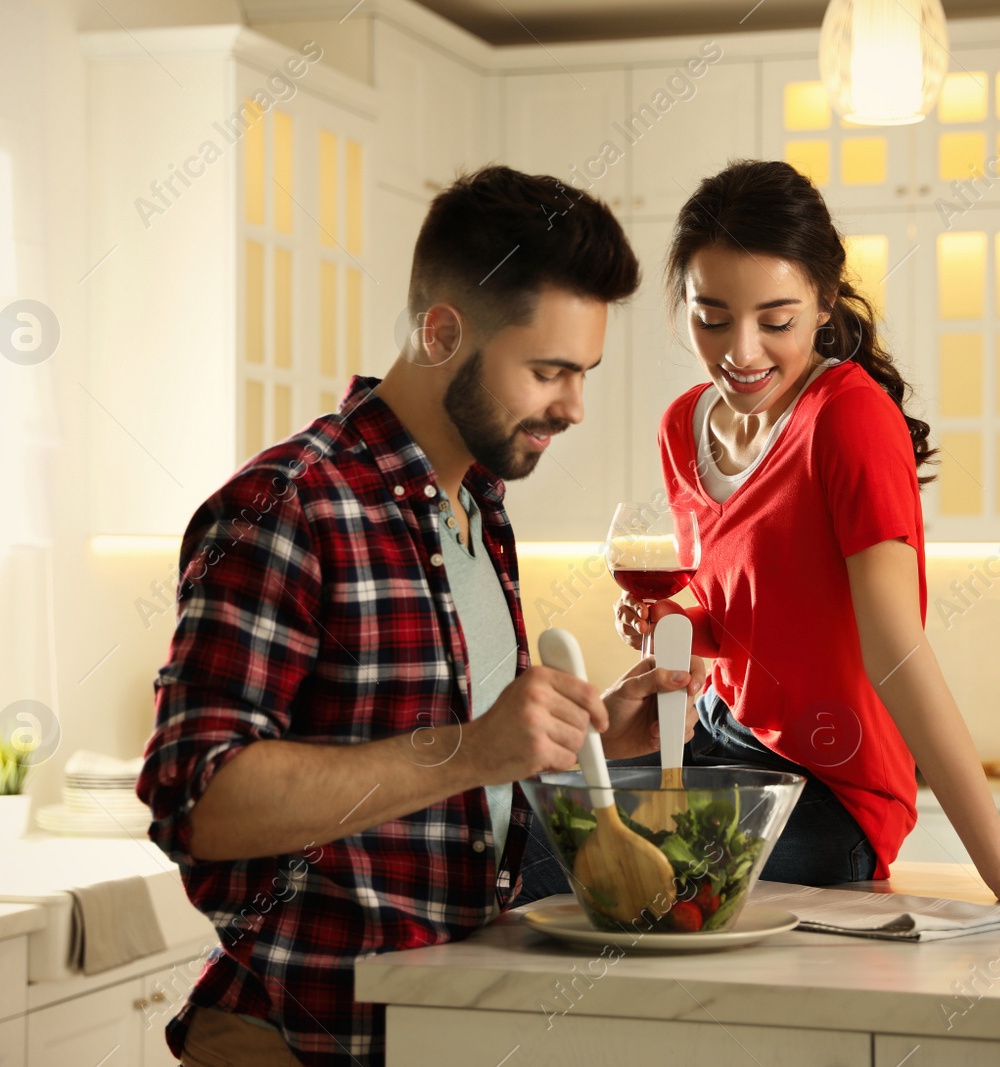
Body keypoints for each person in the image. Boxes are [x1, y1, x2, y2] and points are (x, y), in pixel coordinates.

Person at [137, 166, 705, 1067]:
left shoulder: (479, 507)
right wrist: (477, 747)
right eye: (547, 370)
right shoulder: (287, 505)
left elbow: (440, 788)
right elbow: (198, 801)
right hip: (295, 1033)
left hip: (437, 1027)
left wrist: (577, 740)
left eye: (583, 372)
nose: (574, 407)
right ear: (442, 332)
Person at [522, 159, 1000, 909]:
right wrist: (686, 626)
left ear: (825, 301)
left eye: (777, 320)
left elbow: (896, 648)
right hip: (717, 746)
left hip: (832, 795)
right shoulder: (682, 427)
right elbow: (755, 610)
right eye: (712, 316)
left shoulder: (848, 419)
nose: (741, 351)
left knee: (587, 867)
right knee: (527, 823)